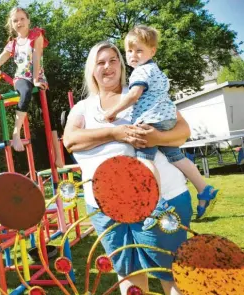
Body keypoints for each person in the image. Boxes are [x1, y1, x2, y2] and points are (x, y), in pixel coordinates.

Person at [63, 41, 193, 295]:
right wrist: (115, 133)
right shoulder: (82, 108)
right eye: (101, 62)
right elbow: (70, 140)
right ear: (92, 70)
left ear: (122, 66)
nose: (108, 67)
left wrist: (155, 138)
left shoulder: (142, 93)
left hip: (158, 201)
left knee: (171, 273)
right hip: (106, 206)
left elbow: (183, 132)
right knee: (128, 274)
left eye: (113, 60)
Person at [101, 25, 218, 220]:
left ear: (152, 51)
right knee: (175, 155)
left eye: (139, 50)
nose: (133, 55)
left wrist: (112, 111)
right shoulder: (155, 70)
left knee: (144, 159)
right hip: (166, 118)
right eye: (130, 51)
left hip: (151, 120)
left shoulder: (140, 72)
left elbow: (133, 96)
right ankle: (204, 188)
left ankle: (157, 203)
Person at [0, 7, 64, 168]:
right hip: (21, 78)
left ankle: (58, 156)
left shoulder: (36, 35)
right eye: (15, 20)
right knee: (25, 92)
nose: (19, 22)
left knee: (49, 116)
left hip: (38, 77)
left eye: (22, 19)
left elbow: (36, 57)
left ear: (28, 20)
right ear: (11, 24)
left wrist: (36, 79)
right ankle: (16, 134)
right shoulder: (12, 44)